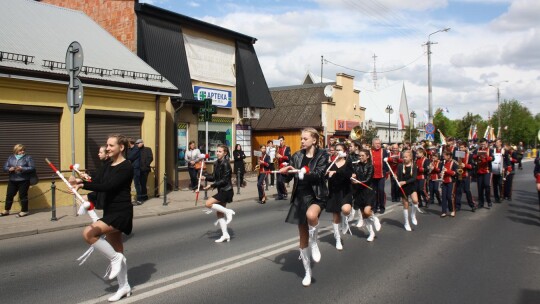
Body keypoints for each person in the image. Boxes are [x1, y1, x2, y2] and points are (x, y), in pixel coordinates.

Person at [69, 134, 134, 302]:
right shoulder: (107, 165)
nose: (107, 148)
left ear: (121, 147)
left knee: (89, 234)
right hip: (109, 211)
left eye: (111, 145)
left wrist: (83, 185)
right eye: (107, 145)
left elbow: (108, 186)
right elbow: (97, 182)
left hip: (121, 212)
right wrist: (77, 180)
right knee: (118, 250)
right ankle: (124, 286)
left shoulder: (126, 166)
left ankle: (115, 259)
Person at [280, 128, 328, 287]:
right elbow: (288, 179)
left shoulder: (322, 155)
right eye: (301, 139)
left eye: (305, 139)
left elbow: (320, 174)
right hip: (299, 197)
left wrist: (304, 171)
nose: (301, 141)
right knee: (302, 237)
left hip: (316, 195)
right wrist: (284, 172)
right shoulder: (297, 155)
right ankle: (307, 271)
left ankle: (315, 242)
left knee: (311, 216)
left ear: (314, 140)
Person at [202, 144, 236, 243]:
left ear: (225, 153)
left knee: (208, 203)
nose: (217, 153)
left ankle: (228, 211)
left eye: (220, 151)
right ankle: (225, 234)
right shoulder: (216, 163)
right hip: (221, 190)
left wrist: (212, 186)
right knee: (219, 213)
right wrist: (205, 177)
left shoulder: (226, 164)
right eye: (217, 151)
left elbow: (225, 180)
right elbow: (214, 177)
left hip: (227, 191)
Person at [348, 149, 381, 241]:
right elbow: (352, 175)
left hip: (368, 191)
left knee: (367, 211)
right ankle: (371, 233)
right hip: (359, 192)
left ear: (367, 156)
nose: (360, 157)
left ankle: (375, 218)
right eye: (359, 156)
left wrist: (356, 182)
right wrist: (352, 176)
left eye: (362, 155)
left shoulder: (370, 166)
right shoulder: (356, 166)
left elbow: (367, 179)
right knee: (364, 215)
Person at [325, 143, 351, 249]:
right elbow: (325, 177)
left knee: (345, 210)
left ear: (344, 151)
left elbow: (347, 175)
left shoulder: (348, 163)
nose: (338, 151)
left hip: (345, 191)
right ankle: (337, 238)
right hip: (334, 192)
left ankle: (345, 219)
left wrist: (335, 173)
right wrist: (327, 174)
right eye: (336, 150)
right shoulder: (331, 163)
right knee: (335, 216)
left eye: (340, 150)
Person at [2, 144, 35, 217]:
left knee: (23, 195)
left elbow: (32, 168)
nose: (22, 151)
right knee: (9, 195)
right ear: (16, 150)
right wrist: (9, 169)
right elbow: (4, 167)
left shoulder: (28, 157)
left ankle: (24, 211)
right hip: (12, 179)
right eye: (20, 150)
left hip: (24, 180)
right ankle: (6, 210)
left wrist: (22, 168)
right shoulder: (11, 157)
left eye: (23, 150)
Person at [396, 150, 419, 231]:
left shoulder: (414, 166)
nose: (404, 158)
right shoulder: (400, 166)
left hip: (411, 185)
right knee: (405, 205)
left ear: (410, 157)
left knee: (415, 201)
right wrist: (397, 180)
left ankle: (413, 215)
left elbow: (414, 178)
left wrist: (405, 182)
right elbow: (399, 176)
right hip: (403, 187)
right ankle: (406, 222)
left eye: (406, 157)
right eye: (403, 157)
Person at [454, 142, 476, 212]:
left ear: (466, 148)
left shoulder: (470, 155)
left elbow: (473, 166)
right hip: (459, 174)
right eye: (460, 148)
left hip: (466, 175)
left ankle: (472, 205)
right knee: (458, 191)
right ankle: (457, 206)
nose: (461, 149)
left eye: (462, 147)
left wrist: (465, 165)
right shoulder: (457, 155)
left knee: (467, 190)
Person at [473, 138, 493, 208]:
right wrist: (477, 156)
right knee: (480, 188)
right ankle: (481, 203)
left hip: (487, 171)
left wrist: (486, 157)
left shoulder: (490, 150)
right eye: (481, 144)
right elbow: (473, 157)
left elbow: (492, 158)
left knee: (487, 186)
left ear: (487, 144)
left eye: (484, 144)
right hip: (479, 171)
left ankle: (488, 200)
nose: (483, 145)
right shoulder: (477, 150)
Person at [370, 138, 389, 213]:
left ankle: (382, 206)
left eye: (379, 143)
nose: (378, 145)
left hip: (381, 174)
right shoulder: (370, 152)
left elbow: (387, 163)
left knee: (381, 190)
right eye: (376, 143)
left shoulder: (384, 151)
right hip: (372, 175)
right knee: (374, 192)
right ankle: (374, 206)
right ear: (373, 144)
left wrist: (387, 172)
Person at [440, 151, 458, 217]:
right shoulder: (443, 163)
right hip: (444, 181)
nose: (443, 157)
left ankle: (452, 210)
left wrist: (447, 171)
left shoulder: (454, 163)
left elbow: (455, 173)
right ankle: (444, 211)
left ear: (449, 156)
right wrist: (441, 173)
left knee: (450, 196)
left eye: (444, 156)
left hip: (451, 181)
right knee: (444, 196)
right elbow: (440, 170)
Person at [276, 136, 291, 200]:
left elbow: (288, 158)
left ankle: (284, 192)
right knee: (277, 182)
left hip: (284, 166)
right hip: (278, 166)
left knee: (280, 181)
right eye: (279, 141)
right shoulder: (277, 149)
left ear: (284, 141)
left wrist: (281, 156)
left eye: (281, 140)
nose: (280, 142)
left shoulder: (287, 148)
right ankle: (280, 195)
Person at [127, 138, 142, 205]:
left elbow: (130, 157)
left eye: (127, 143)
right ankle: (128, 199)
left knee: (137, 184)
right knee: (128, 184)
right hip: (131, 169)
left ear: (130, 143)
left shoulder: (136, 149)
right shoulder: (130, 149)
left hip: (136, 169)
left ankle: (139, 200)